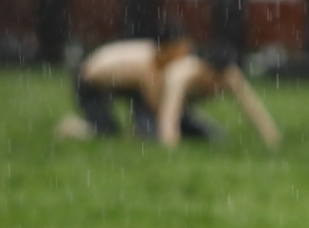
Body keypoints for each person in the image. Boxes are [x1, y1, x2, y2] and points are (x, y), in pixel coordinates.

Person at [56, 33, 281, 150]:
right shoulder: (176, 72)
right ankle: (72, 128)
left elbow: (251, 106)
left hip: (126, 85)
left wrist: (270, 136)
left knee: (209, 136)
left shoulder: (230, 75)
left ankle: (139, 132)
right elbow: (167, 111)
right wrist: (169, 142)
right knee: (108, 132)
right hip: (91, 81)